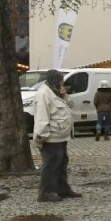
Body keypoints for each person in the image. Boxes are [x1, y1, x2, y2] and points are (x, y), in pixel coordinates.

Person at [31, 69, 79, 203]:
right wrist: (41, 137)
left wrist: (65, 95)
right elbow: (41, 117)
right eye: (60, 81)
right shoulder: (44, 94)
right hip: (51, 137)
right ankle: (46, 193)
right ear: (54, 81)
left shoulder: (57, 92)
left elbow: (71, 105)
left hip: (61, 136)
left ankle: (62, 188)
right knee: (51, 165)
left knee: (62, 163)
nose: (63, 83)